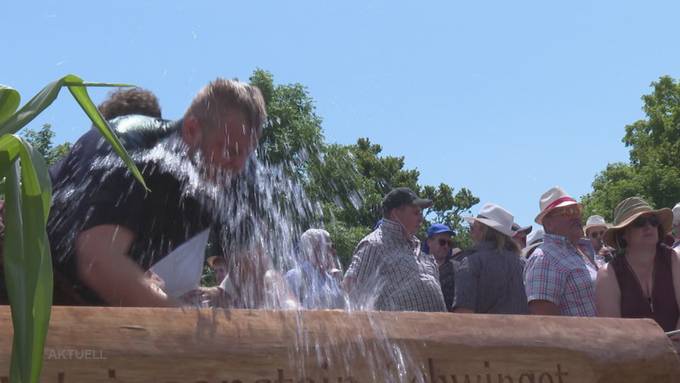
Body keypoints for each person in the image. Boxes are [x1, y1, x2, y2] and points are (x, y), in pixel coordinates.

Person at [46, 78, 267, 306]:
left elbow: (256, 277)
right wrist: (182, 319)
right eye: (230, 150)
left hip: (92, 308)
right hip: (27, 290)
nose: (239, 165)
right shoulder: (127, 146)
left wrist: (291, 311)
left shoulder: (232, 175)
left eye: (247, 154)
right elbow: (97, 262)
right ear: (192, 130)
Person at [343, 187, 446, 312]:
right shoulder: (374, 245)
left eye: (421, 213)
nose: (421, 219)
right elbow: (349, 291)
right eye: (415, 213)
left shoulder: (415, 247)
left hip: (438, 328)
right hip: (400, 329)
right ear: (395, 213)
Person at [595, 197, 680, 332]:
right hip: (633, 352)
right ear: (623, 233)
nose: (649, 226)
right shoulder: (608, 274)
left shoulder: (674, 259)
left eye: (653, 221)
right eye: (639, 222)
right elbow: (613, 331)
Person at [524, 186, 598, 317]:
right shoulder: (544, 259)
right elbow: (545, 321)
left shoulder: (581, 250)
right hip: (581, 337)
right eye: (566, 212)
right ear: (548, 223)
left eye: (576, 211)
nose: (575, 216)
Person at [451, 203, 529, 314]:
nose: (471, 232)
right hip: (523, 330)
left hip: (483, 331)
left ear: (482, 230)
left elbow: (464, 312)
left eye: (473, 227)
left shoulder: (472, 262)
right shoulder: (523, 264)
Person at [285, 229, 344, 309]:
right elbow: (286, 307)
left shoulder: (330, 280)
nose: (333, 251)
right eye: (328, 247)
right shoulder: (295, 276)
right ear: (313, 249)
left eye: (333, 246)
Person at [422, 223, 458, 311]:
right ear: (429, 242)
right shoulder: (418, 266)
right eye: (442, 242)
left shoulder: (457, 268)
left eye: (449, 243)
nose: (446, 246)